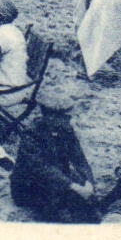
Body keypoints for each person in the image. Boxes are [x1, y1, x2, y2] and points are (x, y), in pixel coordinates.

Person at [10, 90, 99, 223]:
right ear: (51, 116)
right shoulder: (31, 135)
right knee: (63, 216)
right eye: (66, 117)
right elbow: (41, 170)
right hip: (30, 186)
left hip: (58, 178)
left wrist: (89, 182)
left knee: (92, 206)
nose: (70, 120)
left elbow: (80, 160)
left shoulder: (66, 130)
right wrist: (73, 186)